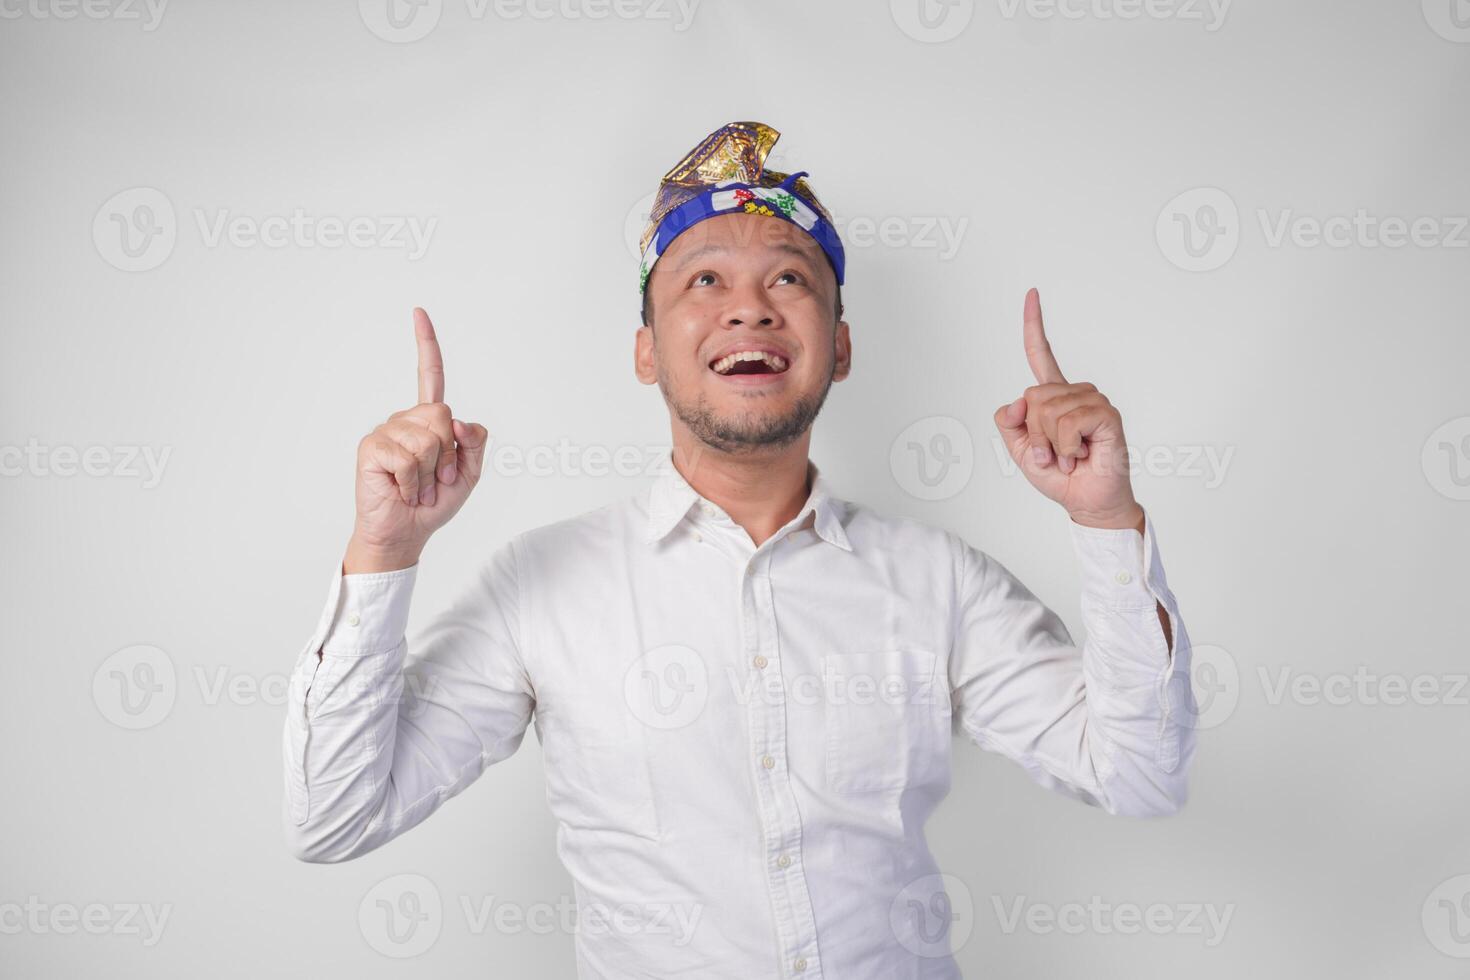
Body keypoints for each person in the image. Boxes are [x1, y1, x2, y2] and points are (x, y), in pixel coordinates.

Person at [281, 120, 1196, 979]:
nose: (750, 310)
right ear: (647, 351)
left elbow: (1141, 772)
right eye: (705, 281)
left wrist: (1107, 518)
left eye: (790, 280)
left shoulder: (937, 580)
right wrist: (384, 547)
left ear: (839, 348)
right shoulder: (540, 584)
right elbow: (333, 817)